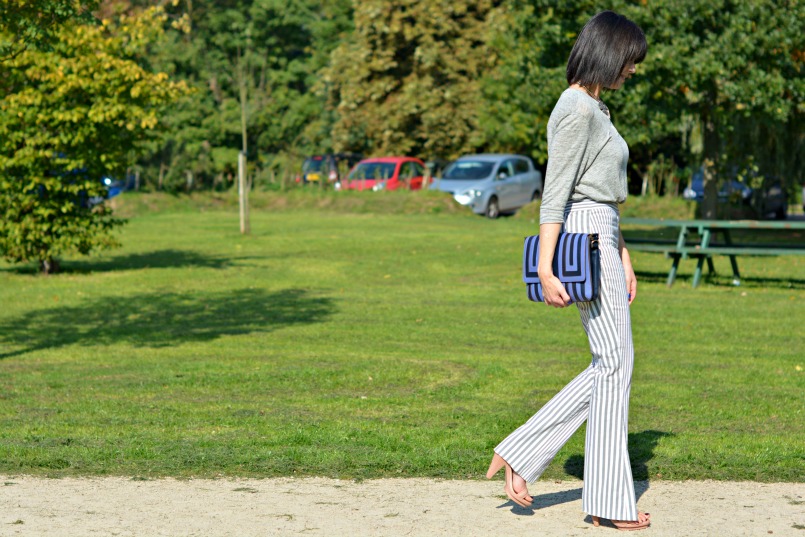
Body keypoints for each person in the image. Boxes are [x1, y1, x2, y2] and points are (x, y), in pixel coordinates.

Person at [485, 11, 651, 531]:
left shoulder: (596, 108)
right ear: (606, 51)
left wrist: (624, 257)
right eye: (629, 59)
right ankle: (603, 499)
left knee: (612, 365)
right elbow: (557, 193)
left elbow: (603, 193)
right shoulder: (576, 107)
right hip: (583, 236)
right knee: (615, 363)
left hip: (602, 234)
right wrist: (545, 267)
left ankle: (529, 455)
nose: (632, 70)